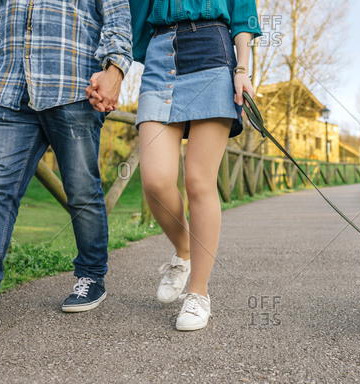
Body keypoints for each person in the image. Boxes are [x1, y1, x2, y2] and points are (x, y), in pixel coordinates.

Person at [0, 0, 133, 331]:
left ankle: (92, 275)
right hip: (8, 90)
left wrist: (114, 71)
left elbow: (118, 16)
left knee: (81, 190)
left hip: (74, 87)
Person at [121, 0, 261, 331]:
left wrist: (242, 69)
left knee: (198, 180)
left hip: (212, 50)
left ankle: (199, 293)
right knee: (155, 181)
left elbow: (243, 12)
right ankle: (183, 249)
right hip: (160, 53)